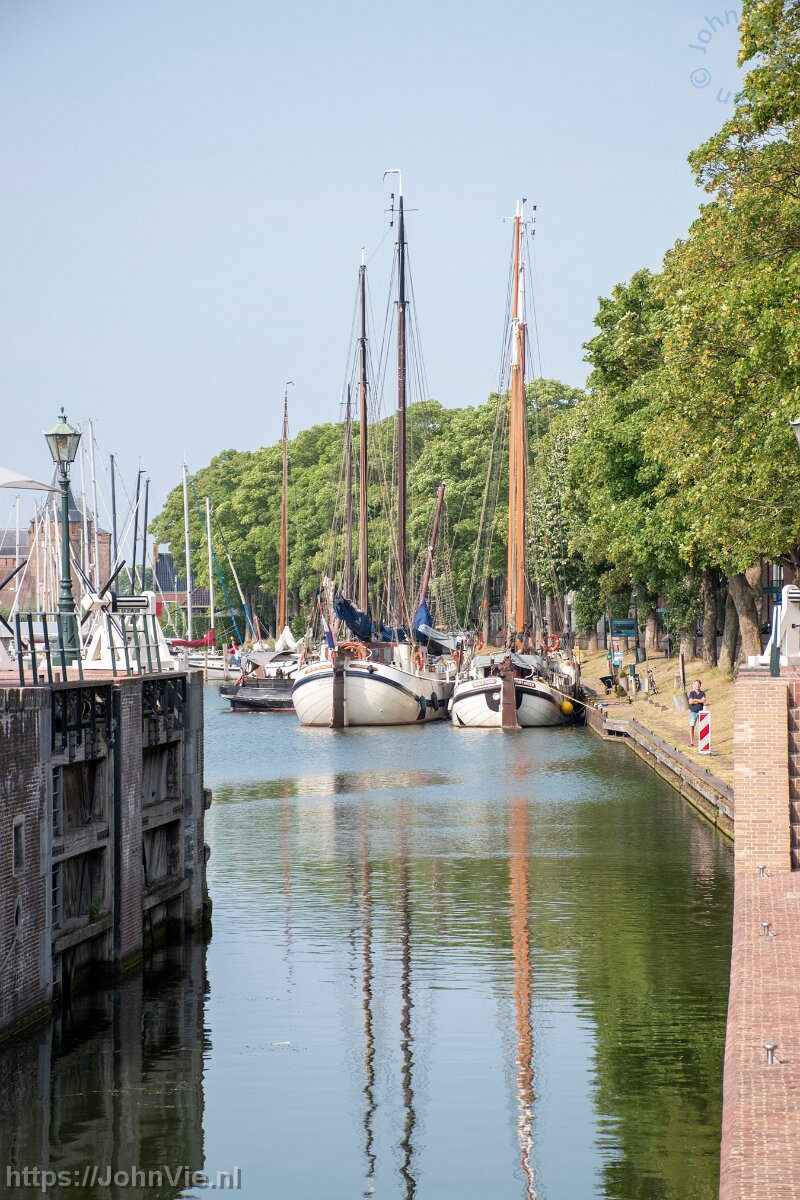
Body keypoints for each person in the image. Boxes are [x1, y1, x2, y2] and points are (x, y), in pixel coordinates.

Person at [687, 679, 707, 747]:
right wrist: (699, 700)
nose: (697, 686)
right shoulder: (691, 693)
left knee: (702, 727)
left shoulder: (702, 693)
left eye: (698, 684)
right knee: (692, 726)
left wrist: (695, 700)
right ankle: (691, 742)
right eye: (696, 684)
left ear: (700, 685)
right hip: (693, 712)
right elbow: (690, 702)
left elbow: (703, 701)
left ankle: (702, 743)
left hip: (701, 712)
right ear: (694, 685)